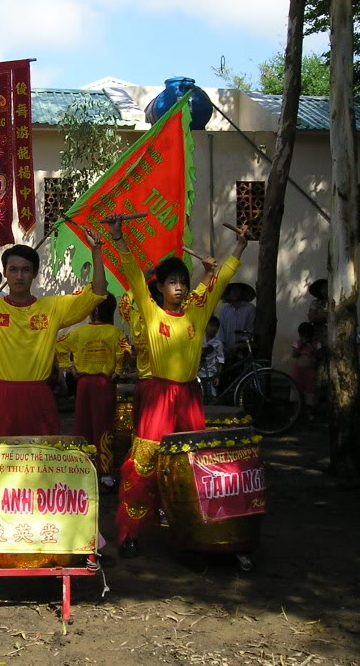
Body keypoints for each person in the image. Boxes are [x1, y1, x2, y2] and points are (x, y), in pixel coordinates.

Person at [105, 215, 251, 557]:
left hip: (188, 397)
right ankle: (130, 533)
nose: (180, 287)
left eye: (183, 282)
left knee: (194, 464)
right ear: (160, 288)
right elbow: (133, 276)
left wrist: (240, 245)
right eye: (172, 282)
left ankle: (197, 531)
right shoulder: (150, 311)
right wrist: (119, 238)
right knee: (143, 465)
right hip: (157, 395)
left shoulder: (196, 313)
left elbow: (221, 278)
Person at [0, 214, 107, 437]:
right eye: (13, 270)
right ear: (5, 272)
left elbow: (98, 293)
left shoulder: (52, 307)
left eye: (25, 270)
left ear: (34, 274)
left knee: (39, 463)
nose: (19, 276)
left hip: (38, 397)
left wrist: (96, 252)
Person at [56, 294, 130, 490]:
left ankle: (82, 469)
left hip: (84, 384)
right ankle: (105, 474)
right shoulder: (116, 333)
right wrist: (118, 372)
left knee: (83, 425)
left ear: (93, 311)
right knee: (104, 426)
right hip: (105, 384)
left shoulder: (79, 332)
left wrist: (69, 366)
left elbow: (58, 345)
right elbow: (126, 351)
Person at [216, 282, 256, 356]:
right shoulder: (224, 310)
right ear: (229, 293)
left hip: (244, 350)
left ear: (242, 292)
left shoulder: (250, 308)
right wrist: (223, 345)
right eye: (232, 290)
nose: (235, 293)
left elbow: (250, 328)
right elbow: (220, 329)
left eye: (237, 290)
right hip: (226, 350)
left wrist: (240, 345)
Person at [291, 322, 321, 419]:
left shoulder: (316, 344)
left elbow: (319, 356)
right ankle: (296, 411)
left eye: (307, 337)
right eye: (302, 336)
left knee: (310, 392)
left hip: (310, 371)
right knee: (296, 390)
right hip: (298, 371)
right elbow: (294, 355)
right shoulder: (297, 342)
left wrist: (312, 349)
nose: (305, 339)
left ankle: (309, 412)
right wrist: (301, 345)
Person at [198, 315, 225, 398]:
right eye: (211, 326)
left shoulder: (218, 343)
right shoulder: (199, 338)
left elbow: (220, 361)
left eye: (216, 326)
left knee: (210, 396)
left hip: (210, 374)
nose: (214, 329)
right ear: (206, 326)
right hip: (197, 373)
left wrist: (217, 376)